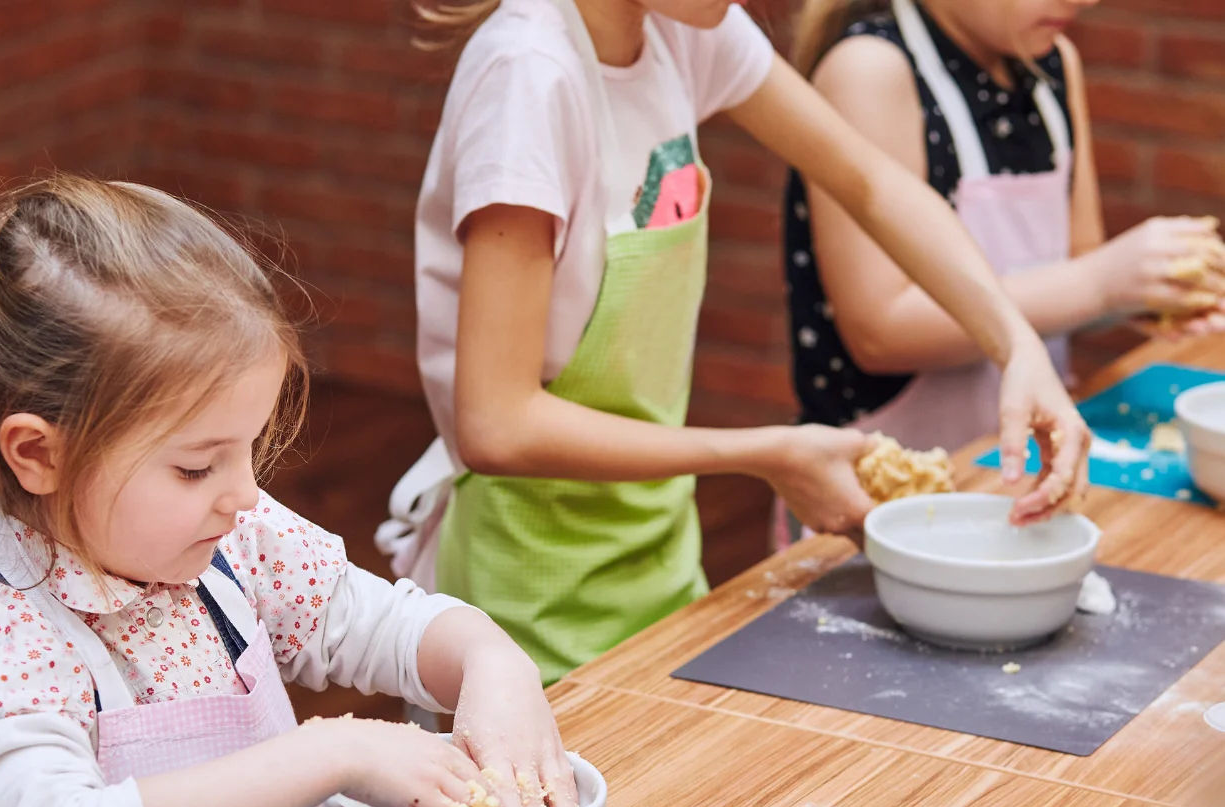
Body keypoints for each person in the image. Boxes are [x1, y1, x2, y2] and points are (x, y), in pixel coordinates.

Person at [0, 175, 577, 807]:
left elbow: (385, 626)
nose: (244, 492)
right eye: (194, 465)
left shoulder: (230, 542)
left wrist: (493, 662)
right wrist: (334, 750)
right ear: (38, 454)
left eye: (249, 447)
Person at [378, 0, 1091, 685]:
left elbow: (871, 182)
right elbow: (496, 424)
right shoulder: (529, 77)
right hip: (524, 596)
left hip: (658, 554)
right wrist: (765, 454)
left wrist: (1016, 347)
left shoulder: (682, 28)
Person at [782, 0, 1224, 526]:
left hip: (1021, 474)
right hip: (880, 498)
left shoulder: (1050, 62)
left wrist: (1135, 291)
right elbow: (881, 332)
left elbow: (1073, 269)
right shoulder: (870, 70)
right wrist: (1099, 284)